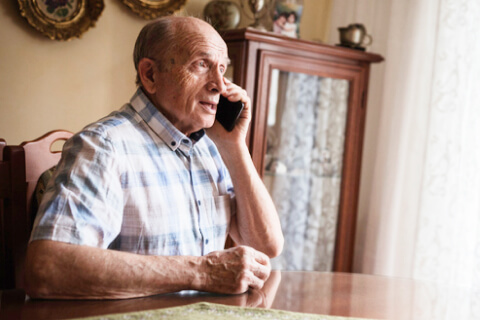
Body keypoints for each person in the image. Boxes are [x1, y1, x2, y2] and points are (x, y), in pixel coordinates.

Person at [24, 16, 284, 300]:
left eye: (223, 69)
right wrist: (203, 272)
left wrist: (235, 146)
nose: (220, 86)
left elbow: (267, 245)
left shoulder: (211, 146)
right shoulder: (103, 147)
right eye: (202, 64)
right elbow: (46, 268)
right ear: (150, 74)